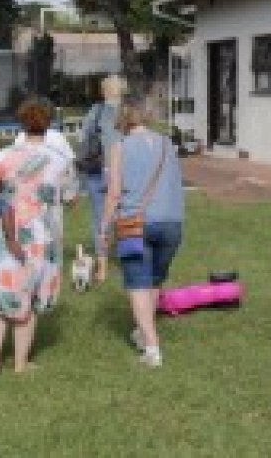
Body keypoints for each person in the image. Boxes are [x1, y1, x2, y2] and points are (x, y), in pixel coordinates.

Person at [0, 99, 79, 375]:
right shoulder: (61, 160)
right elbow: (70, 197)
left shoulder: (0, 156)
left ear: (21, 123)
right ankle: (21, 362)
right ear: (50, 123)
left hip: (0, 232)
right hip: (40, 235)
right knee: (29, 296)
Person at [99, 96, 185, 367]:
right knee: (155, 280)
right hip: (172, 222)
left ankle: (152, 348)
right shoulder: (167, 144)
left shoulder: (120, 146)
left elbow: (114, 192)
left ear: (121, 120)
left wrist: (104, 225)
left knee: (138, 283)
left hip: (135, 222)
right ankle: (141, 331)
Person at [80, 74, 125, 279]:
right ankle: (127, 256)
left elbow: (85, 139)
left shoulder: (95, 111)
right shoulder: (129, 113)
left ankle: (102, 266)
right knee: (127, 214)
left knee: (100, 217)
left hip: (98, 169)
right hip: (124, 170)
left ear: (103, 91)